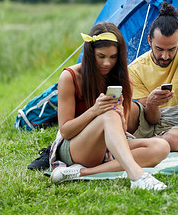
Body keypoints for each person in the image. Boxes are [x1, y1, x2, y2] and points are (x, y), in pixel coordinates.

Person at [49, 22, 170, 191]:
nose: (107, 63)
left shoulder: (124, 79)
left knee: (161, 147)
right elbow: (66, 131)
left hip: (108, 147)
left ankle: (81, 173)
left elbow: (123, 130)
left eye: (113, 57)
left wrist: (120, 116)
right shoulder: (70, 77)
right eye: (101, 56)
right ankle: (137, 176)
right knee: (108, 115)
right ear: (91, 54)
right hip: (75, 146)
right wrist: (95, 111)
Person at [127, 2, 178, 153]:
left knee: (173, 140)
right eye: (159, 49)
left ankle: (124, 147)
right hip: (149, 121)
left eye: (171, 49)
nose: (165, 56)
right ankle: (117, 142)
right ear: (150, 41)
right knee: (125, 109)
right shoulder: (135, 69)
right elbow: (152, 120)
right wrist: (152, 103)